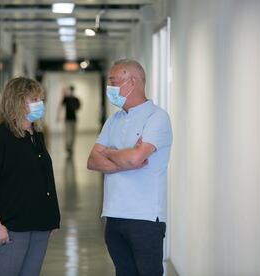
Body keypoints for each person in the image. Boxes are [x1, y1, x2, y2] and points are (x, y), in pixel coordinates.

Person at [87, 59, 172, 276]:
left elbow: (136, 159)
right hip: (114, 216)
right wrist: (124, 158)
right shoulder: (114, 119)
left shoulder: (157, 117)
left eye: (114, 82)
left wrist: (110, 153)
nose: (110, 88)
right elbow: (92, 161)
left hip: (145, 219)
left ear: (132, 82)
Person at [0, 76, 60, 276]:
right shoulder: (0, 139)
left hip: (39, 225)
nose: (40, 104)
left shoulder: (35, 135)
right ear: (17, 102)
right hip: (12, 228)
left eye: (41, 99)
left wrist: (51, 218)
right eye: (34, 99)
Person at [59, 85, 80, 156]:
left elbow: (78, 107)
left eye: (72, 90)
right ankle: (68, 147)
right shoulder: (66, 98)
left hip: (74, 119)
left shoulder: (76, 99)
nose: (71, 92)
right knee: (68, 134)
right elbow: (61, 105)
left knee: (73, 134)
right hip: (67, 119)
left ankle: (71, 147)